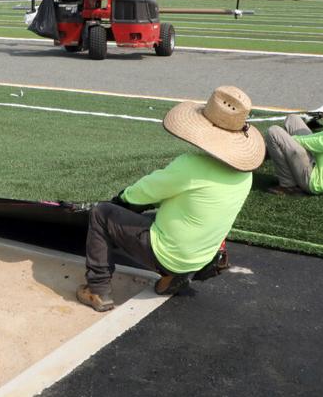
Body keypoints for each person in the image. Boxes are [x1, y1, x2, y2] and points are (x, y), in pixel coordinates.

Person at [77, 86, 265, 312]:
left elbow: (142, 193)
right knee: (172, 217)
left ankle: (97, 289)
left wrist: (120, 201)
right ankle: (176, 275)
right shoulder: (245, 175)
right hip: (205, 254)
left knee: (102, 214)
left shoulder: (191, 165)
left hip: (171, 253)